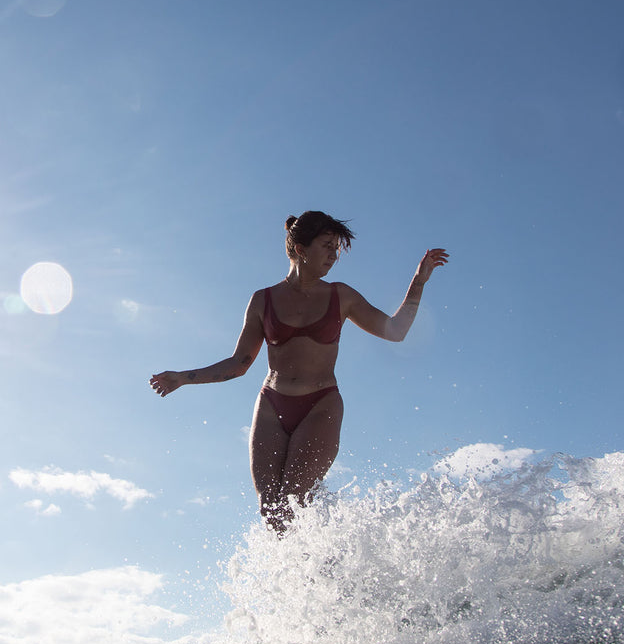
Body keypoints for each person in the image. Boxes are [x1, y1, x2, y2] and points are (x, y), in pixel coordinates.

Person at [150, 211, 449, 533]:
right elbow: (239, 364)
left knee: (295, 498)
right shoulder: (262, 300)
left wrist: (419, 282)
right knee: (271, 510)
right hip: (272, 404)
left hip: (321, 404)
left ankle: (326, 565)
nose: (334, 256)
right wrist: (183, 377)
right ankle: (299, 576)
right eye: (327, 246)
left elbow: (395, 331)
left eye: (337, 248)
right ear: (301, 249)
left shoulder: (341, 295)